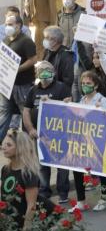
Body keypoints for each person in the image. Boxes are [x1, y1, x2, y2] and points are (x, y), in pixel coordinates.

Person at [22, 61, 71, 203]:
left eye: (47, 69)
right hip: (40, 135)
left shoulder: (61, 88)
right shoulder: (33, 90)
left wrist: (51, 102)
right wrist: (30, 129)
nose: (44, 72)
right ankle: (44, 192)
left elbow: (68, 108)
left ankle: (63, 193)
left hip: (59, 134)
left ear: (53, 72)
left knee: (62, 164)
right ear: (37, 74)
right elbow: (26, 111)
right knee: (43, 165)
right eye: (41, 70)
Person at [73, 70, 106, 211]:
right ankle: (81, 201)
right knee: (76, 168)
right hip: (83, 141)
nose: (85, 86)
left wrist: (100, 112)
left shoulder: (103, 101)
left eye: (88, 83)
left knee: (101, 169)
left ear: (95, 85)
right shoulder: (81, 101)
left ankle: (105, 198)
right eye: (83, 83)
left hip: (98, 142)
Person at [1, 129, 48, 229]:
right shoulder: (5, 169)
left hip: (21, 225)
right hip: (8, 225)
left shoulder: (28, 174)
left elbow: (31, 206)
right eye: (4, 144)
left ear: (20, 149)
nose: (3, 147)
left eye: (9, 145)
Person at [0, 13, 37, 143]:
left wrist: (17, 69)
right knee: (4, 112)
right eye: (6, 24)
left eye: (10, 24)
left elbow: (33, 60)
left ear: (19, 25)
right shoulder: (6, 40)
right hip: (7, 85)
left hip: (23, 84)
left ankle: (28, 143)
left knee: (25, 112)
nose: (7, 27)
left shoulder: (26, 41)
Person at [41, 26, 75, 95]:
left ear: (55, 40)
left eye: (47, 38)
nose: (44, 40)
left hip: (59, 93)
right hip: (47, 90)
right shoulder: (47, 51)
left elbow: (68, 80)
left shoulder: (66, 56)